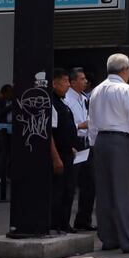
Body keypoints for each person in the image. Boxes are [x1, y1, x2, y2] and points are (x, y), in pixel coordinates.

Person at [88, 53, 129, 254]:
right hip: (121, 142)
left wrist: (93, 145)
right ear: (126, 70)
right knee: (126, 192)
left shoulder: (97, 90)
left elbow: (91, 121)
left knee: (105, 192)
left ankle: (109, 238)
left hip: (101, 142)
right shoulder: (126, 89)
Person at [64, 68, 96, 231]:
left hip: (86, 143)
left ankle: (83, 220)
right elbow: (67, 126)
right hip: (74, 142)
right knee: (70, 184)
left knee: (89, 184)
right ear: (73, 81)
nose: (85, 82)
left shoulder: (84, 98)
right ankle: (64, 222)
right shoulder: (67, 99)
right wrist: (80, 125)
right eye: (82, 79)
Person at [49, 69, 78, 233]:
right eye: (65, 82)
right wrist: (56, 158)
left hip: (68, 152)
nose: (68, 85)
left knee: (69, 190)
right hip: (59, 154)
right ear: (54, 83)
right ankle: (55, 224)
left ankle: (65, 223)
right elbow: (49, 134)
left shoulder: (62, 103)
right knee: (59, 191)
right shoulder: (52, 104)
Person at [0, 84, 15, 182]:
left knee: (11, 154)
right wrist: (10, 106)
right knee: (2, 153)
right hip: (3, 131)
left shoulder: (14, 102)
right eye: (9, 92)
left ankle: (9, 175)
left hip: (13, 131)